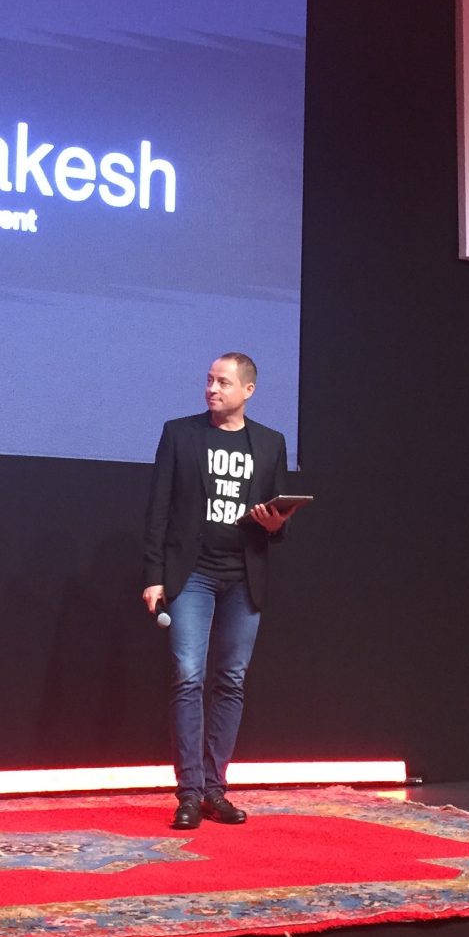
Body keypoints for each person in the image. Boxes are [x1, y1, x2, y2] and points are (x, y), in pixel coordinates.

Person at [141, 353, 297, 830]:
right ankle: (188, 793)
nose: (211, 389)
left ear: (247, 390)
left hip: (244, 577)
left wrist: (275, 524)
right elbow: (158, 510)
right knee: (188, 676)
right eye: (209, 381)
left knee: (230, 680)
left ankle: (214, 790)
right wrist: (154, 575)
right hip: (193, 575)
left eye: (222, 382)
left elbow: (278, 523)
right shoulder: (180, 434)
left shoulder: (270, 444)